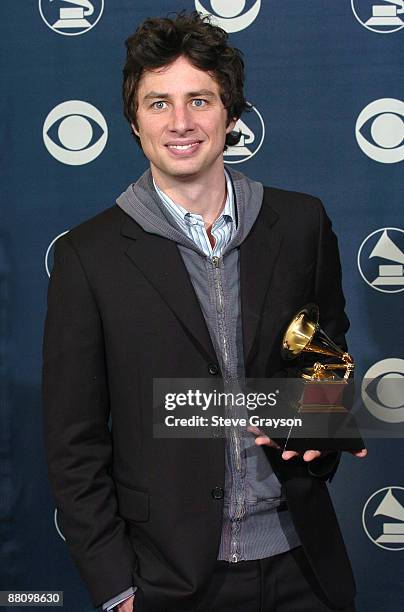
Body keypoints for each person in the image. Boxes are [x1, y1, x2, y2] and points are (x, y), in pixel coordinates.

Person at [42, 11, 366, 612]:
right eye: (158, 103)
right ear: (134, 121)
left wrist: (322, 427)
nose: (181, 122)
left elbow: (325, 355)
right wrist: (117, 591)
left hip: (305, 564)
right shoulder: (87, 257)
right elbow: (73, 443)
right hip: (170, 580)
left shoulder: (300, 225)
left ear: (231, 114)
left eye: (200, 99)